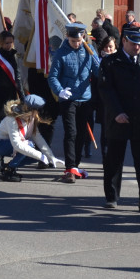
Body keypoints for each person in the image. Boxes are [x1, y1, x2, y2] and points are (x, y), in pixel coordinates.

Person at [98, 28, 140, 211]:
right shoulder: (110, 62)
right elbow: (105, 90)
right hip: (118, 119)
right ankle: (112, 197)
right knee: (114, 160)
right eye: (133, 43)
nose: (137, 46)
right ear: (123, 41)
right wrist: (117, 112)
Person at [48, 22, 100, 182]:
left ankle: (75, 164)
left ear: (83, 37)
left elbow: (98, 73)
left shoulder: (89, 52)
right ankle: (69, 168)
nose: (76, 44)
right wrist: (59, 90)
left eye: (78, 40)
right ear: (67, 37)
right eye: (73, 41)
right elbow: (53, 77)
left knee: (81, 134)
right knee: (71, 132)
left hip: (85, 98)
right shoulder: (61, 53)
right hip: (68, 99)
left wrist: (101, 64)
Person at [0, 95, 61, 182]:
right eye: (39, 110)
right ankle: (10, 170)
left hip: (11, 144)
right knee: (28, 147)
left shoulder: (30, 118)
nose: (40, 112)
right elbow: (17, 145)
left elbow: (38, 138)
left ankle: (9, 167)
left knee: (34, 155)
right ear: (32, 110)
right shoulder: (12, 119)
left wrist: (50, 156)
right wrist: (39, 155)